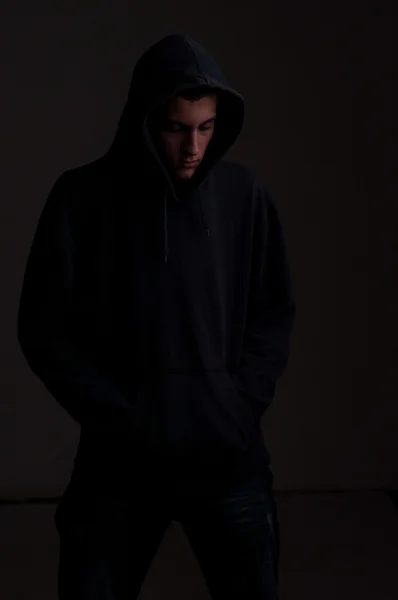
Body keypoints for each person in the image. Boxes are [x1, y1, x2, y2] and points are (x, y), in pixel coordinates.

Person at [17, 34, 296, 599]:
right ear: (143, 119)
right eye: (175, 127)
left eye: (206, 127)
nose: (192, 146)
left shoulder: (244, 195)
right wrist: (121, 417)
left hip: (227, 458)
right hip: (120, 468)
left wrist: (238, 405)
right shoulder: (80, 198)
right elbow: (43, 328)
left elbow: (273, 310)